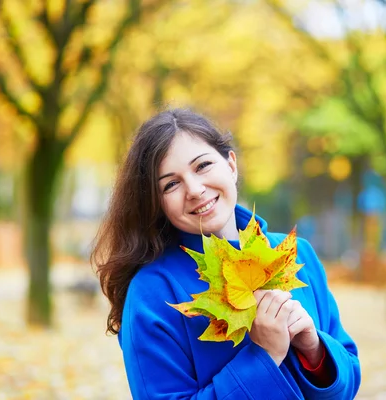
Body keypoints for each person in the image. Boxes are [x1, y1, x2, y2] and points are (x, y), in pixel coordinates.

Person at [92, 108, 361, 399]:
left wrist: (314, 350)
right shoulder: (152, 293)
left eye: (203, 166)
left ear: (231, 165)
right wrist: (264, 358)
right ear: (157, 204)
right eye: (171, 184)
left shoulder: (296, 255)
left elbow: (347, 380)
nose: (194, 189)